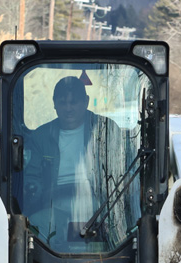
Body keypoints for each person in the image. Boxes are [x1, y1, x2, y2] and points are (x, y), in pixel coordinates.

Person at [22, 76, 135, 251]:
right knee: (32, 227)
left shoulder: (106, 130)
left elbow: (121, 175)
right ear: (54, 103)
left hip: (100, 208)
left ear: (86, 101)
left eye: (73, 102)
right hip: (55, 207)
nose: (68, 108)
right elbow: (31, 177)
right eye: (63, 102)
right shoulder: (40, 137)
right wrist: (34, 191)